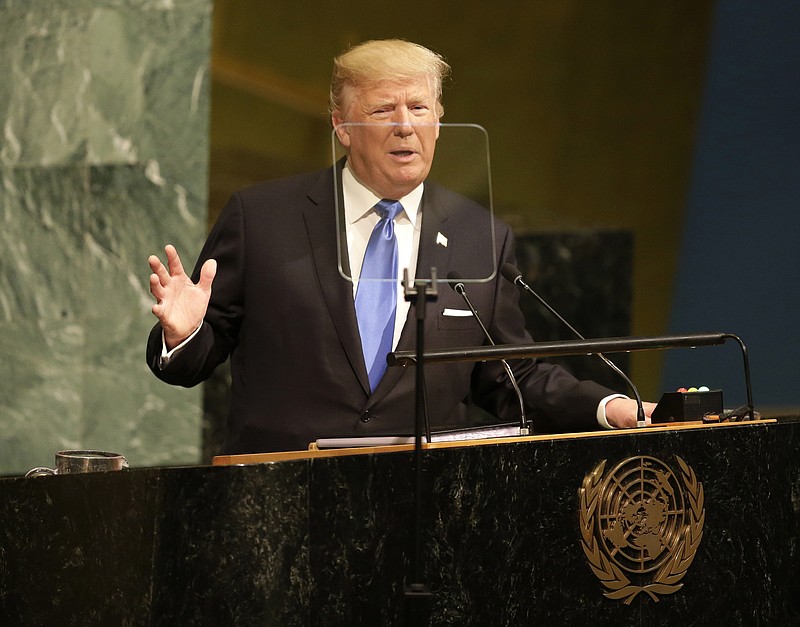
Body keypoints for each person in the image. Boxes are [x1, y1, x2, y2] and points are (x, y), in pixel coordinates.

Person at [146, 39, 654, 454]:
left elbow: (509, 375)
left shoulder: (481, 236)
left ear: (438, 120)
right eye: (383, 109)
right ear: (341, 126)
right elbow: (198, 355)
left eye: (418, 108)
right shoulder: (262, 218)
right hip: (279, 508)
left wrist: (608, 408)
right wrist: (184, 335)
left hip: (419, 510)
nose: (405, 125)